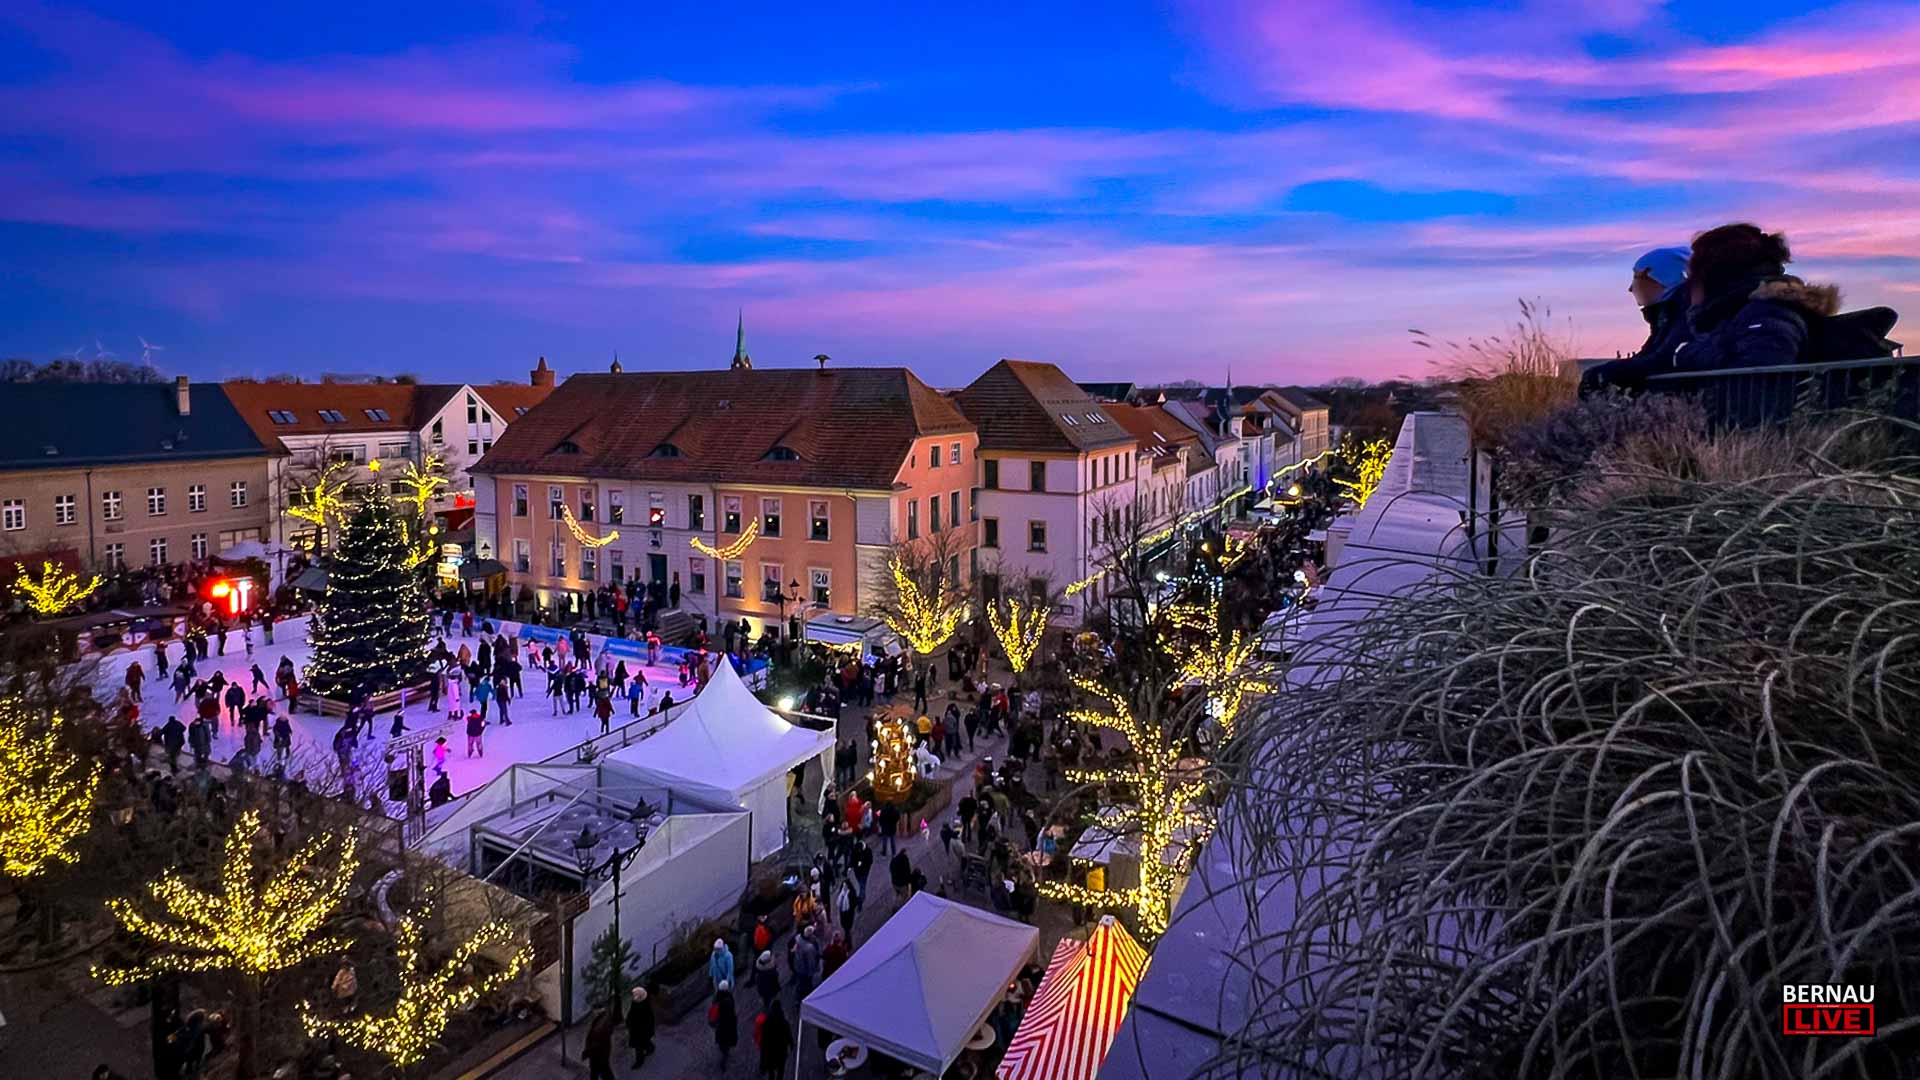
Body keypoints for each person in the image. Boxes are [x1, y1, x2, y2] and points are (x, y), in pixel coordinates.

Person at [1669, 223, 1847, 374]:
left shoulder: (1767, 314)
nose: (1689, 284)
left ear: (1713, 275)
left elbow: (1761, 376)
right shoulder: (1738, 315)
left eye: (1694, 274)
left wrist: (1687, 354)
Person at [757, 999, 792, 1080]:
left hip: (770, 1050)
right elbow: (788, 1034)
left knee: (771, 1071)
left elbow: (764, 1036)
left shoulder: (767, 1022)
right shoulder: (783, 1021)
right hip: (781, 1050)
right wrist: (791, 1044)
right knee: (780, 1070)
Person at [584, 1004, 618, 1080]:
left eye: (594, 1010)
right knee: (599, 1070)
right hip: (601, 1052)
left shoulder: (602, 1024)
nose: (593, 1012)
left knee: (602, 1070)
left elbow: (596, 1040)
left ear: (599, 1009)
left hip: (599, 1053)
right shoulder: (604, 1016)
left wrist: (588, 1050)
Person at [626, 984, 655, 1068]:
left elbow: (649, 1018)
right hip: (636, 1028)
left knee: (638, 1046)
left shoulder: (644, 1005)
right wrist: (628, 1022)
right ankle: (650, 1048)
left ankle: (639, 1061)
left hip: (641, 1029)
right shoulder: (635, 1002)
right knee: (644, 1042)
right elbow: (631, 1013)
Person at [711, 983, 738, 1070]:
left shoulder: (716, 998)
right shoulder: (728, 999)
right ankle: (724, 1057)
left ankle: (724, 1051)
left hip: (719, 1024)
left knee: (722, 1040)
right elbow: (731, 1012)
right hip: (727, 1024)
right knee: (727, 1040)